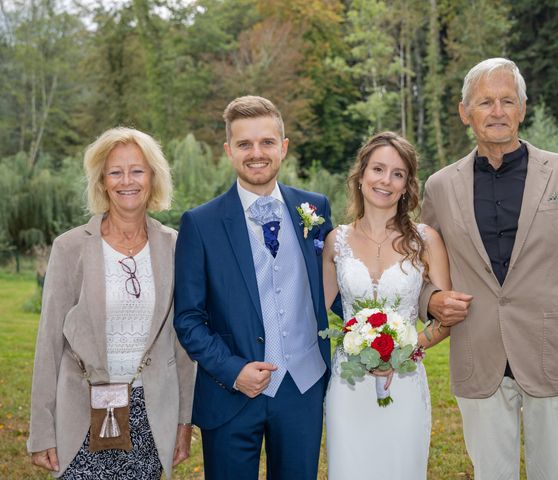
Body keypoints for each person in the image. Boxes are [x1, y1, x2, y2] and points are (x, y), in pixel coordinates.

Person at [421, 57, 558, 480]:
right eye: (485, 102)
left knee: (556, 472)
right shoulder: (439, 187)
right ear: (464, 112)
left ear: (522, 109)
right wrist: (433, 300)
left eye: (507, 101)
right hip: (479, 355)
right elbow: (422, 271)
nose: (497, 112)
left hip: (555, 356)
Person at [173, 95, 335, 480]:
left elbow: (338, 287)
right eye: (244, 144)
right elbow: (189, 319)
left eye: (266, 142)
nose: (256, 153)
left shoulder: (315, 209)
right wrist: (234, 371)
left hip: (303, 386)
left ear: (283, 147)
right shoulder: (200, 223)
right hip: (231, 391)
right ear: (229, 152)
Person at [27, 127, 196, 478]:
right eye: (115, 172)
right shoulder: (70, 247)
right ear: (102, 181)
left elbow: (181, 346)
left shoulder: (175, 246)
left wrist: (184, 422)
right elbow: (48, 344)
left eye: (137, 170)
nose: (126, 181)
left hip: (151, 413)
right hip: (82, 412)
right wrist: (41, 430)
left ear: (153, 177)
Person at [323, 131, 452, 479]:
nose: (386, 181)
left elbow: (446, 319)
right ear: (361, 175)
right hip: (349, 385)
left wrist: (406, 349)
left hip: (406, 381)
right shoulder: (337, 241)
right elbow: (318, 314)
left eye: (398, 174)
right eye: (378, 169)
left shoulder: (426, 240)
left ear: (407, 184)